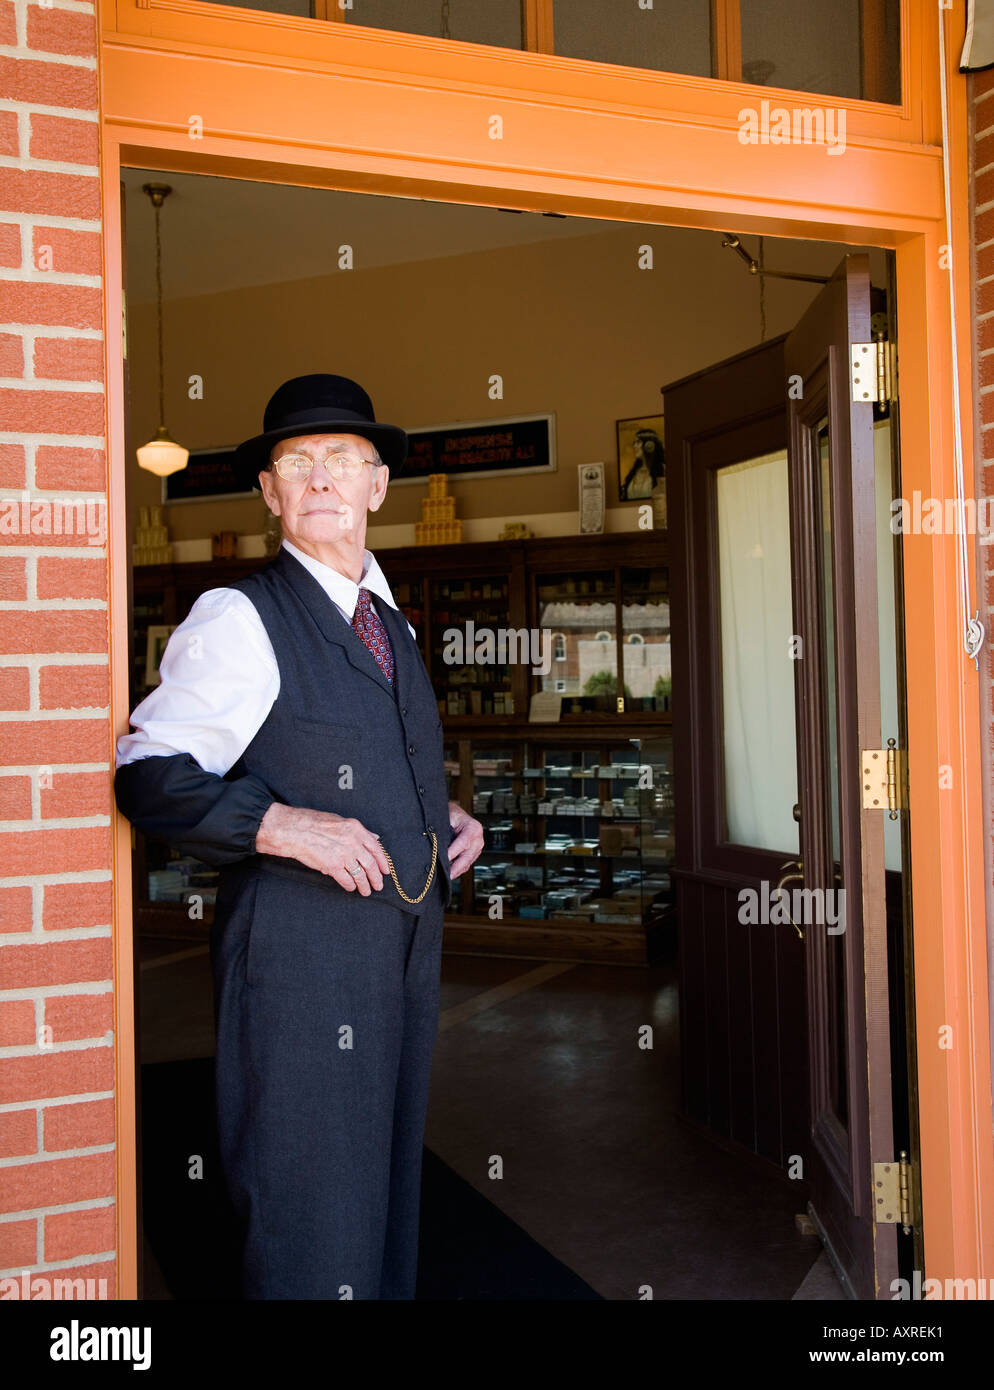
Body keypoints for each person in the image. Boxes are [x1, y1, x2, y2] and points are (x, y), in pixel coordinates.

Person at [115, 373, 484, 1300]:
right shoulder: (240, 617)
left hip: (398, 955)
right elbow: (147, 775)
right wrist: (275, 823)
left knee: (384, 1193)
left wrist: (436, 817)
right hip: (300, 965)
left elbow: (361, 750)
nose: (320, 477)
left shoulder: (388, 620)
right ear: (272, 494)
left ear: (377, 486)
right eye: (297, 463)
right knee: (310, 1210)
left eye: (341, 460)